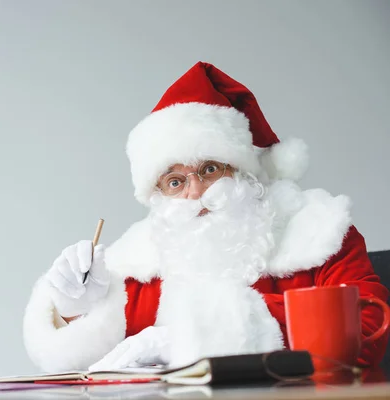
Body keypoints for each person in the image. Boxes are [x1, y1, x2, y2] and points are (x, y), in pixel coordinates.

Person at [22, 62, 389, 373]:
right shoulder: (137, 262)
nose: (195, 192)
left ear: (244, 171)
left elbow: (368, 332)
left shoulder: (317, 231)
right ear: (158, 195)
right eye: (176, 181)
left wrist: (193, 339)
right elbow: (87, 365)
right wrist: (75, 311)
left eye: (210, 169)